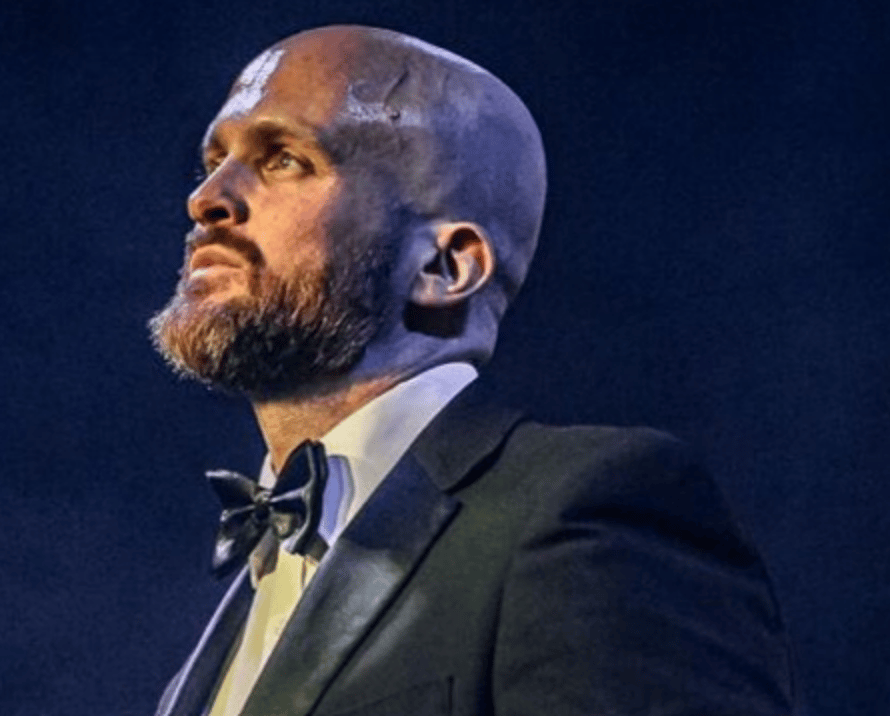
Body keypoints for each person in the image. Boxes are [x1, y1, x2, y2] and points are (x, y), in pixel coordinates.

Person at [148, 25, 796, 716]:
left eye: (283, 159)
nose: (206, 198)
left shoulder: (591, 509)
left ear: (445, 266)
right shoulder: (224, 629)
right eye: (213, 161)